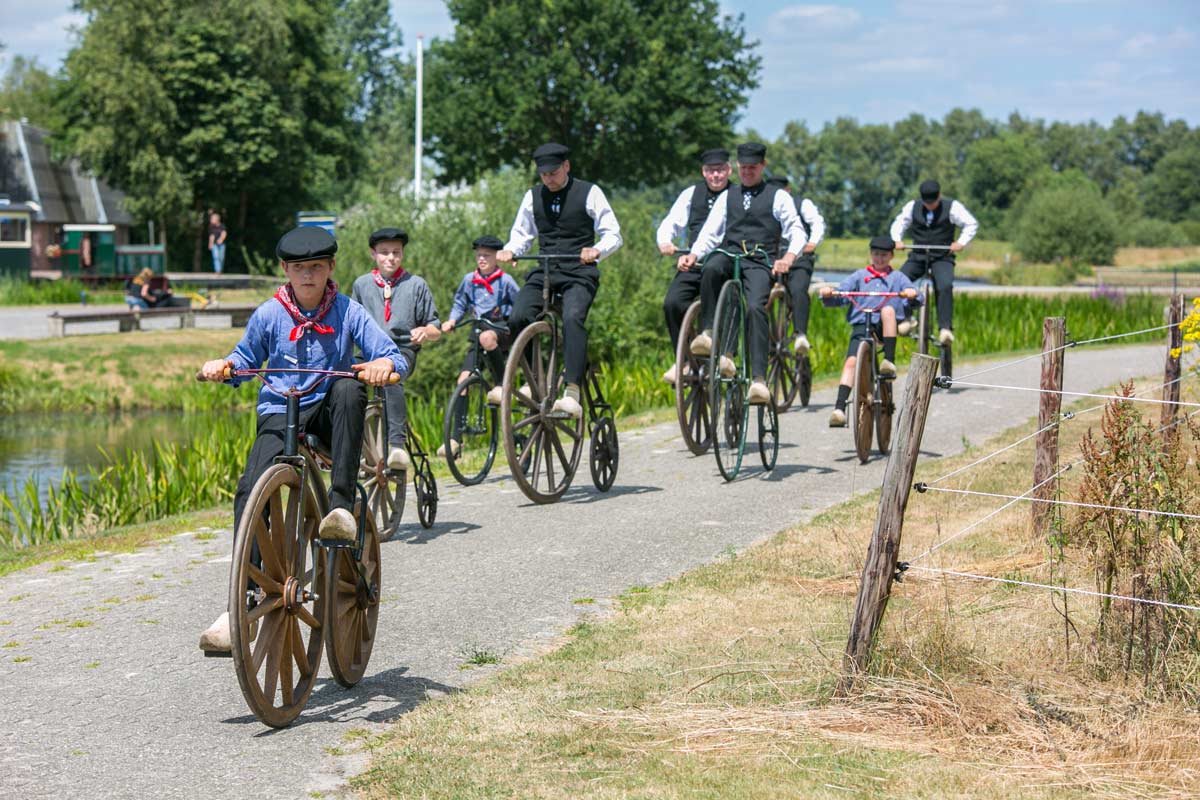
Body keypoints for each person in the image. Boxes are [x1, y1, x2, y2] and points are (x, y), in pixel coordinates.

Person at [196, 225, 406, 652]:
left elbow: (394, 354)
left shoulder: (348, 311)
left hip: (329, 413)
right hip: (279, 410)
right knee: (248, 487)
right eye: (298, 268)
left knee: (350, 387)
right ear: (285, 271)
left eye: (315, 267)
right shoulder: (269, 314)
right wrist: (223, 366)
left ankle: (341, 510)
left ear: (330, 268)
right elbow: (245, 357)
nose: (307, 275)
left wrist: (383, 363)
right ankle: (244, 602)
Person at [497, 142, 623, 419]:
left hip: (579, 271)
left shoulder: (589, 192)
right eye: (543, 174)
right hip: (544, 269)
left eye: (553, 173)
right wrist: (511, 250)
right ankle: (533, 382)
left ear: (566, 166)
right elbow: (522, 234)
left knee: (572, 318)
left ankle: (572, 391)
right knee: (518, 317)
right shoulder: (533, 196)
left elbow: (613, 233)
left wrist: (597, 250)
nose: (548, 179)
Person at [678, 142, 807, 406]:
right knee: (712, 268)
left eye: (753, 167)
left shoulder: (778, 196)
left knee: (755, 308)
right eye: (744, 167)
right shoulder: (729, 196)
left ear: (762, 166)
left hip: (759, 260)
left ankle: (758, 380)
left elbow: (797, 231)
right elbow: (711, 232)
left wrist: (788, 258)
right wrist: (695, 253)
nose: (747, 172)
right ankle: (709, 332)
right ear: (737, 167)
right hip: (730, 253)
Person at [351, 227, 441, 471]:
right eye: (384, 252)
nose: (390, 257)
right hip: (368, 352)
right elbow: (350, 323)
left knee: (391, 378)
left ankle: (397, 445)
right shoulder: (362, 285)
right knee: (344, 381)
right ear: (373, 254)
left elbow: (435, 326)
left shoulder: (416, 285)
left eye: (396, 252)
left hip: (401, 351)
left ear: (402, 254)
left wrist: (425, 332)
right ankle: (345, 442)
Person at [819, 236, 919, 427]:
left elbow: (913, 295)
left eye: (883, 255)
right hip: (861, 324)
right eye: (876, 254)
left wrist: (912, 293)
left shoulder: (897, 278)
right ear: (870, 254)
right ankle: (839, 409)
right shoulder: (858, 276)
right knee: (850, 362)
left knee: (888, 310)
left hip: (884, 327)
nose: (879, 258)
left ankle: (888, 360)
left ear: (891, 256)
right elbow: (842, 293)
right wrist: (829, 292)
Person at [656, 148, 734, 384]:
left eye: (720, 170)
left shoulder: (737, 195)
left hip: (725, 261)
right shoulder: (691, 193)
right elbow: (672, 220)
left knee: (717, 277)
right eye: (711, 171)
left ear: (729, 170)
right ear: (703, 172)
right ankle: (685, 358)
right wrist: (666, 241)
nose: (716, 176)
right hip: (695, 260)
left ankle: (719, 345)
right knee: (672, 303)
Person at [441, 236, 520, 455]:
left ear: (497, 257)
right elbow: (460, 303)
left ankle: (502, 383)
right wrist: (452, 320)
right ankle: (456, 439)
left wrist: (512, 324)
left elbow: (520, 307)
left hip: (500, 332)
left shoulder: (505, 281)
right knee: (463, 381)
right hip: (477, 333)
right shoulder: (469, 280)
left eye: (487, 255)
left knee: (488, 337)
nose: (482, 259)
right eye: (479, 255)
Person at [889, 179, 977, 345]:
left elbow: (970, 224)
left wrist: (960, 242)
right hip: (918, 255)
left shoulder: (953, 207)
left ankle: (945, 328)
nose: (930, 206)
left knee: (944, 285)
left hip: (942, 256)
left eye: (933, 202)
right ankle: (906, 318)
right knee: (899, 279)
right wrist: (897, 240)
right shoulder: (912, 206)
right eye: (927, 203)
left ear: (939, 197)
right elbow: (899, 223)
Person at [765, 174, 826, 356]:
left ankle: (800, 334)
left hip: (799, 259)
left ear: (788, 190)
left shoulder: (802, 204)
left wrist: (813, 242)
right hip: (773, 259)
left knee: (799, 289)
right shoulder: (766, 207)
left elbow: (817, 223)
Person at [124, 268, 190, 309]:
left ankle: (132, 312)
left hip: (128, 298)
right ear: (149, 276)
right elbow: (143, 293)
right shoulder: (146, 281)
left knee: (133, 306)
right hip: (136, 299)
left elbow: (128, 288)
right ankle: (136, 309)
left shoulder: (136, 278)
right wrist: (151, 299)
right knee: (146, 310)